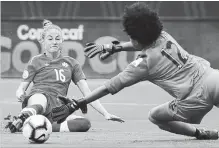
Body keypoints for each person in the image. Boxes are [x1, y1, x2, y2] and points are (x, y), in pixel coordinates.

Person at [51, 2, 219, 140]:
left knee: (155, 116)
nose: (129, 40)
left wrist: (80, 102)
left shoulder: (143, 64)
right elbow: (140, 43)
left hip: (195, 97)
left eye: (131, 37)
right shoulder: (163, 35)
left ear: (138, 39)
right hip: (212, 77)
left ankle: (200, 133)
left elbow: (109, 86)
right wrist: (113, 47)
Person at [6, 19, 124, 133]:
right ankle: (23, 118)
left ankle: (38, 125)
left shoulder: (72, 63)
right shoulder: (35, 61)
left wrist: (105, 113)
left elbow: (87, 93)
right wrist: (21, 94)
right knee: (41, 99)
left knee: (84, 124)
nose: (54, 42)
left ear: (62, 40)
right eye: (50, 38)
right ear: (42, 40)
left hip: (57, 110)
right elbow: (21, 88)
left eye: (58, 38)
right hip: (38, 98)